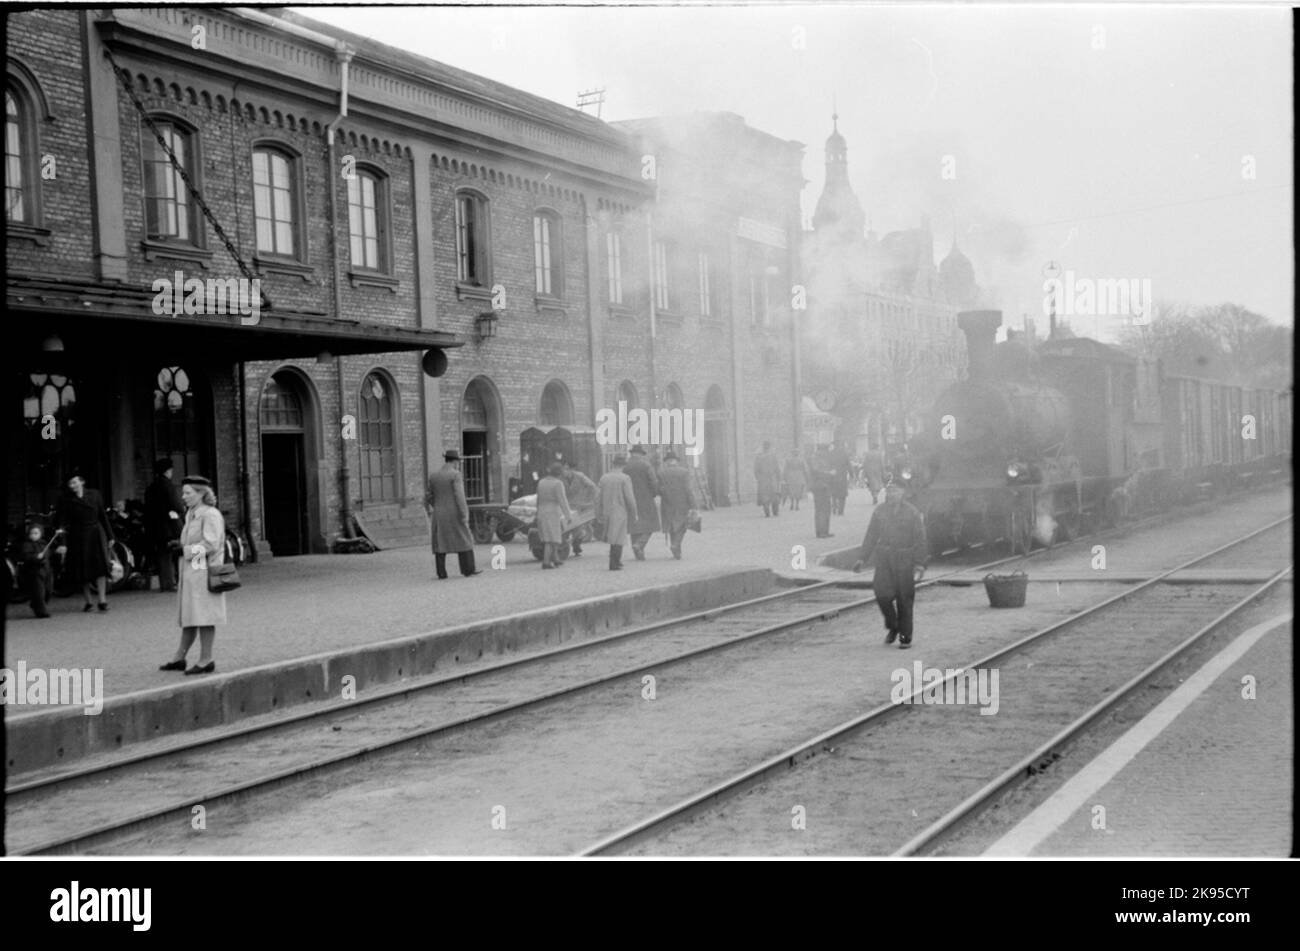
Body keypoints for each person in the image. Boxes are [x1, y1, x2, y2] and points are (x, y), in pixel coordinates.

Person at [159, 476, 227, 675]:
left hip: (205, 572)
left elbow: (211, 544)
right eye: (184, 493)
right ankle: (179, 658)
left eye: (188, 493)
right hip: (193, 572)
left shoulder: (210, 515)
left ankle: (206, 659)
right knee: (191, 615)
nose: (184, 496)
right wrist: (180, 546)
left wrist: (185, 551)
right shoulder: (192, 514)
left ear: (201, 493)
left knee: (204, 616)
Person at [854, 480, 928, 649]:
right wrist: (862, 558)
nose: (891, 494)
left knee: (904, 598)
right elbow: (871, 535)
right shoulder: (880, 511)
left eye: (895, 491)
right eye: (889, 491)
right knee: (881, 594)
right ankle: (893, 625)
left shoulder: (912, 512)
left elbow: (920, 539)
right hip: (884, 559)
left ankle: (905, 636)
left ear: (903, 493)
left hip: (904, 559)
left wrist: (920, 563)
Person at [56, 474, 115, 612]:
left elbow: (102, 515)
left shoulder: (95, 495)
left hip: (96, 533)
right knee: (82, 568)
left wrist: (110, 535)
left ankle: (102, 600)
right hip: (78, 536)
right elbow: (62, 523)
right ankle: (88, 601)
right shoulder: (66, 500)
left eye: (75, 482)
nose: (73, 486)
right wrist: (63, 542)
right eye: (70, 484)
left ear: (82, 482)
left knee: (101, 566)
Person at [425, 449, 480, 579]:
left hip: (439, 513)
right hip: (454, 513)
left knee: (440, 542)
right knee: (464, 538)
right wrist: (464, 513)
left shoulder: (434, 476)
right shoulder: (455, 475)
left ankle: (441, 572)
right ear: (455, 462)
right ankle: (468, 569)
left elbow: (428, 496)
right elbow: (459, 496)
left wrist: (437, 505)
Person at [144, 458, 184, 592]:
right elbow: (176, 504)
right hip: (170, 525)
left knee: (163, 555)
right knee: (179, 551)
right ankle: (180, 580)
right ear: (167, 471)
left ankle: (166, 583)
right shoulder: (167, 485)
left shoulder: (151, 487)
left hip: (156, 526)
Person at [595, 453, 638, 570]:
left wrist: (598, 512)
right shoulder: (625, 478)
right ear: (623, 465)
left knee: (611, 536)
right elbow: (630, 498)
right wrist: (634, 513)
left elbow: (598, 498)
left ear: (613, 464)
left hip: (607, 511)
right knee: (619, 537)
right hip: (620, 511)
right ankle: (614, 563)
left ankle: (616, 562)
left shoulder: (604, 478)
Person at [657, 451, 699, 560]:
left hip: (667, 503)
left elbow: (658, 489)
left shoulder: (661, 473)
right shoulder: (684, 472)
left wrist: (665, 494)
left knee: (672, 526)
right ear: (676, 461)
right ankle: (676, 545)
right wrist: (694, 505)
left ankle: (677, 553)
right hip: (682, 503)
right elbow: (688, 490)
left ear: (667, 462)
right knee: (682, 526)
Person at [624, 444, 660, 560]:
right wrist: (654, 493)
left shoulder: (625, 466)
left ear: (632, 453)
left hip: (629, 499)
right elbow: (653, 482)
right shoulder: (646, 465)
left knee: (634, 525)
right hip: (645, 499)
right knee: (651, 524)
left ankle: (638, 553)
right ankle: (639, 545)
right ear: (640, 454)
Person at [535, 461, 573, 569]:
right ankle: (546, 562)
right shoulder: (557, 483)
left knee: (552, 535)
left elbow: (538, 499)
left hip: (542, 511)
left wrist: (536, 512)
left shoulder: (541, 482)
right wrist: (568, 515)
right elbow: (562, 500)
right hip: (552, 512)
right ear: (559, 473)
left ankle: (556, 558)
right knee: (551, 538)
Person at [561, 461, 599, 557]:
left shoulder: (580, 476)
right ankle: (564, 546)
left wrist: (589, 498)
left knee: (577, 528)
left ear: (571, 469)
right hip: (566, 505)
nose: (564, 471)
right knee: (566, 526)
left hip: (579, 504)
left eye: (566, 469)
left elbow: (592, 486)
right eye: (563, 469)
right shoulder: (560, 478)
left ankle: (576, 546)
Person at [19, 523, 54, 618]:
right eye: (31, 533)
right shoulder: (27, 544)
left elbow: (48, 555)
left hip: (46, 570)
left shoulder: (43, 543)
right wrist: (36, 557)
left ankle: (36, 604)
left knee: (48, 590)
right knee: (39, 592)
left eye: (36, 533)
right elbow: (26, 556)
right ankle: (41, 612)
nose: (33, 535)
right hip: (35, 571)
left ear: (40, 534)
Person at [809, 446, 834, 538]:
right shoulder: (815, 459)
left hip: (825, 486)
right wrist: (829, 473)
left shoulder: (823, 459)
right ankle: (820, 532)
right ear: (821, 450)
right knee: (820, 510)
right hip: (819, 487)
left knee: (827, 509)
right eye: (825, 450)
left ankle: (825, 531)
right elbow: (816, 471)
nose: (826, 452)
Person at [754, 440, 782, 517]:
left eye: (767, 446)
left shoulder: (773, 456)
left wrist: (779, 477)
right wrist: (759, 478)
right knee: (765, 495)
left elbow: (777, 467)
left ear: (769, 447)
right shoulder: (759, 457)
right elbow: (756, 469)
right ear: (763, 447)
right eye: (765, 446)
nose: (766, 447)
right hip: (764, 479)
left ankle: (775, 510)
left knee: (774, 495)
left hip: (772, 478)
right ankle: (767, 511)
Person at [829, 441, 851, 516]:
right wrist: (852, 474)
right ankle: (841, 510)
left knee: (834, 493)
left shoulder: (831, 454)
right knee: (842, 494)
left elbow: (827, 465)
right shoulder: (844, 454)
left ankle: (834, 507)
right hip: (842, 476)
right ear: (840, 445)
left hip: (833, 476)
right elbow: (849, 464)